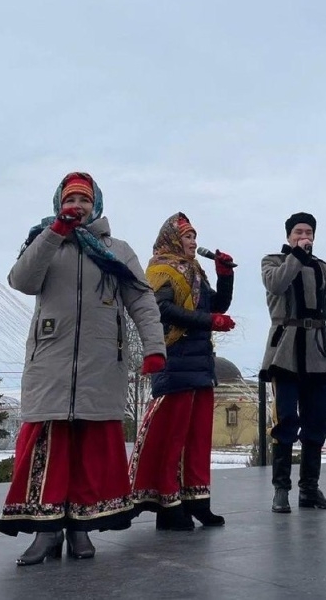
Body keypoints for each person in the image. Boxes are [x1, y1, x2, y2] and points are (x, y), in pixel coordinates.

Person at [0, 172, 166, 565]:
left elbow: (141, 300)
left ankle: (80, 529)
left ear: (97, 205)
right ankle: (46, 532)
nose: (78, 206)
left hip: (101, 363)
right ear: (59, 204)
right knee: (48, 449)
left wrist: (154, 348)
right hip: (50, 362)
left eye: (84, 200)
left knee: (90, 452)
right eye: (71, 199)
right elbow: (21, 280)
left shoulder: (117, 249)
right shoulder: (43, 242)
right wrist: (54, 232)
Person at [129, 212, 235, 530]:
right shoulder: (161, 268)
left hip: (200, 362)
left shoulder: (194, 271)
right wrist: (208, 322)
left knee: (199, 438)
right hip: (174, 361)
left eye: (194, 237)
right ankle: (168, 506)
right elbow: (161, 309)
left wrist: (225, 275)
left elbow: (219, 306)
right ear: (173, 239)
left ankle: (198, 501)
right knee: (172, 438)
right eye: (188, 237)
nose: (193, 242)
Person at [261, 212, 326, 513]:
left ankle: (309, 489)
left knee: (317, 421)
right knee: (286, 421)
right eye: (298, 232)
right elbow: (277, 285)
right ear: (289, 235)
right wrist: (295, 256)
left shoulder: (322, 269)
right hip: (286, 351)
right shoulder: (273, 262)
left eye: (308, 232)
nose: (304, 236)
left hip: (318, 351)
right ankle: (281, 489)